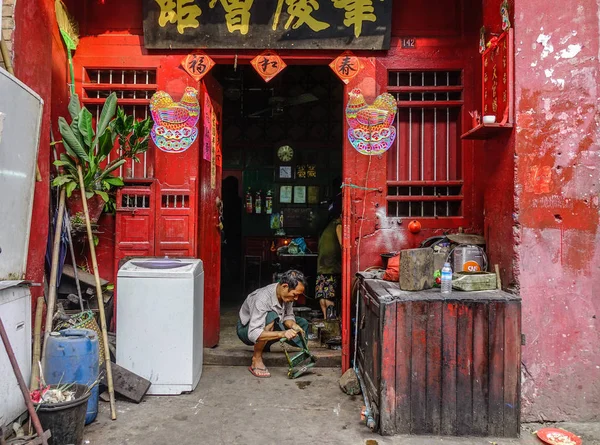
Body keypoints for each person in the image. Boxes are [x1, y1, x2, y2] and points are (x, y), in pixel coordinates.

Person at [237, 269, 309, 378]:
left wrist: (294, 326)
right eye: (295, 295)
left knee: (302, 323)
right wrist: (282, 333)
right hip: (246, 329)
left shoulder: (286, 295)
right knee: (271, 316)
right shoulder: (262, 298)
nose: (296, 298)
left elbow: (288, 316)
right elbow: (253, 333)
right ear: (285, 286)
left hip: (270, 326)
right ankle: (256, 359)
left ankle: (266, 344)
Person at [316, 193, 342, 319]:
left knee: (323, 295)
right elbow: (343, 245)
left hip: (322, 265)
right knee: (330, 296)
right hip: (331, 266)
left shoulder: (328, 225)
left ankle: (327, 320)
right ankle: (331, 323)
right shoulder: (338, 225)